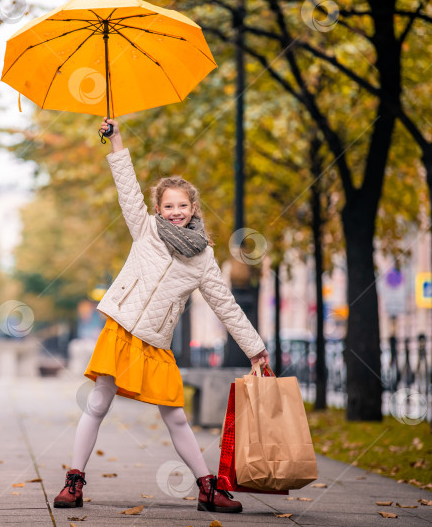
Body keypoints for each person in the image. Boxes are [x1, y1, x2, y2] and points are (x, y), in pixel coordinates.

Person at [53, 117, 270, 514]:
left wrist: (255, 348)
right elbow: (127, 186)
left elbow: (226, 304)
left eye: (182, 206)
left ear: (193, 208)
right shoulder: (145, 229)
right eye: (168, 206)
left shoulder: (204, 258)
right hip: (121, 330)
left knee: (176, 417)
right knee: (98, 405)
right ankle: (74, 481)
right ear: (157, 208)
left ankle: (208, 489)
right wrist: (115, 139)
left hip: (156, 342)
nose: (175, 212)